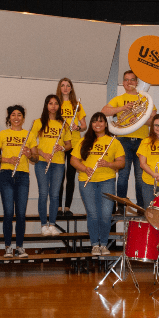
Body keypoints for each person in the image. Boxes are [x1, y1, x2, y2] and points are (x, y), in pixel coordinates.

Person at [101, 70, 157, 211]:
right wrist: (123, 108)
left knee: (140, 177)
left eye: (132, 80)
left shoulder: (144, 98)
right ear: (123, 83)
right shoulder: (119, 98)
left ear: (137, 82)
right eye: (126, 80)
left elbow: (154, 120)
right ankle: (121, 206)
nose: (129, 82)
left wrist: (139, 120)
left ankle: (140, 207)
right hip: (123, 140)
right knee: (123, 175)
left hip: (142, 141)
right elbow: (104, 111)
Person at [71, 112, 125, 256]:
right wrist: (84, 168)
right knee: (93, 214)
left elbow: (121, 162)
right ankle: (95, 244)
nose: (98, 124)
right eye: (95, 121)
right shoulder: (84, 141)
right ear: (91, 124)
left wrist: (108, 163)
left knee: (106, 214)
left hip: (107, 180)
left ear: (106, 124)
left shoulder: (114, 141)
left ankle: (104, 244)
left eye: (101, 121)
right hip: (86, 181)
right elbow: (73, 160)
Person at [0, 105, 38, 258]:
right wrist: (7, 159)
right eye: (13, 115)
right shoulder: (2, 134)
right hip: (6, 174)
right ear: (9, 118)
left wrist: (29, 154)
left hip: (23, 176)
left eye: (19, 115)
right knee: (8, 212)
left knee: (21, 213)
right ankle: (8, 246)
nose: (16, 117)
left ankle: (20, 246)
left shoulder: (29, 135)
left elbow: (36, 158)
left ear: (23, 118)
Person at [30, 94, 72, 236]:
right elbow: (32, 144)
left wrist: (62, 148)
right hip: (42, 162)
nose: (53, 106)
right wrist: (43, 154)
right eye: (50, 103)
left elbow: (68, 144)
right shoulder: (38, 122)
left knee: (54, 195)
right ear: (46, 105)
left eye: (56, 103)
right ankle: (43, 225)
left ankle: (52, 224)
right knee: (43, 193)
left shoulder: (64, 124)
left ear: (59, 106)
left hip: (59, 163)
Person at [56, 78, 87, 218]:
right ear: (59, 87)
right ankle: (57, 206)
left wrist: (77, 127)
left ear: (71, 88)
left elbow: (84, 125)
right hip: (60, 143)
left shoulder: (77, 105)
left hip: (74, 144)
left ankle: (67, 207)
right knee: (59, 176)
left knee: (70, 176)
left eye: (68, 85)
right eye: (63, 85)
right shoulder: (55, 104)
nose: (65, 88)